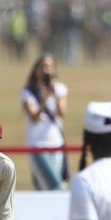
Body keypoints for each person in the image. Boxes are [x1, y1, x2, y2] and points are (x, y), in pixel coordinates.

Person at [21, 54, 69, 190]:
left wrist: (55, 95)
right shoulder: (28, 92)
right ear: (36, 70)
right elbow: (34, 117)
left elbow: (62, 113)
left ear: (54, 70)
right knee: (57, 186)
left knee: (42, 188)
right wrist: (44, 100)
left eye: (49, 67)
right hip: (38, 145)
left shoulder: (60, 89)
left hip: (57, 144)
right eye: (42, 67)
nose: (45, 70)